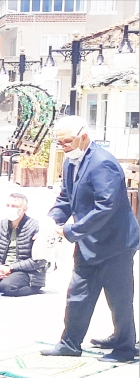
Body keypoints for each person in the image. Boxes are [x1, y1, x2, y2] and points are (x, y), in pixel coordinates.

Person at [41, 116, 138, 362]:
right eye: (59, 142)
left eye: (67, 141)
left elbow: (106, 206)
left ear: (83, 136)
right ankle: (70, 343)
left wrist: (72, 231)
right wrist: (55, 218)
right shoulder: (70, 163)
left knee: (119, 297)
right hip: (87, 243)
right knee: (78, 294)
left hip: (115, 243)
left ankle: (125, 346)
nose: (63, 146)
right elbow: (66, 197)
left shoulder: (102, 163)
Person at [0, 193, 48, 297]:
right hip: (1, 267)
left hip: (26, 271)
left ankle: (31, 288)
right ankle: (3, 282)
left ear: (25, 209)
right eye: (8, 205)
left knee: (8, 288)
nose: (10, 209)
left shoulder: (35, 227)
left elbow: (39, 260)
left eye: (14, 206)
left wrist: (10, 268)